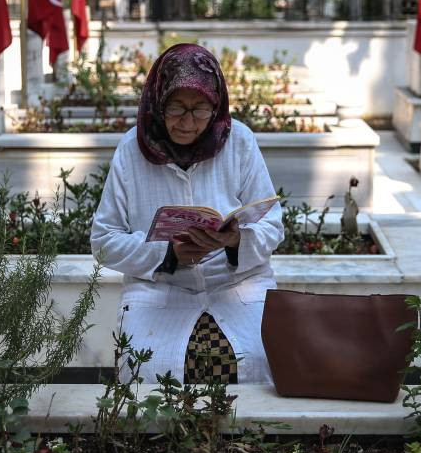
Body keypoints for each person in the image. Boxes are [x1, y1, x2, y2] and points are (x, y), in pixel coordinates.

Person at [90, 43, 284, 384]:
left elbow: (272, 223)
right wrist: (168, 254)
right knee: (148, 368)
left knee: (260, 358)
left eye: (200, 109)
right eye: (176, 108)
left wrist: (236, 240)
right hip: (161, 288)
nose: (187, 122)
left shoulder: (238, 141)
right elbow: (104, 241)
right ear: (157, 101)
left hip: (236, 284)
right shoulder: (131, 148)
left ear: (217, 107)